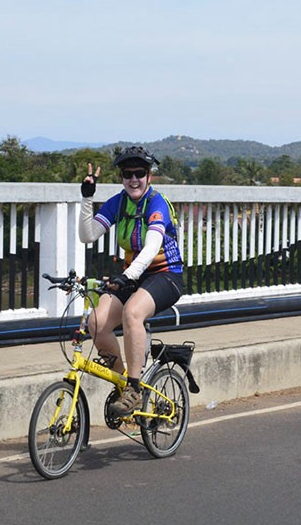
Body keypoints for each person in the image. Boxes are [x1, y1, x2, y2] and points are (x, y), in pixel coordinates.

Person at [78, 146, 185, 416]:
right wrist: (87, 199)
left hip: (165, 275)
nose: (133, 179)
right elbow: (87, 235)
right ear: (121, 177)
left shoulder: (157, 203)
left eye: (139, 173)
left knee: (132, 313)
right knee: (96, 322)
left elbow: (151, 248)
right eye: (128, 174)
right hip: (133, 276)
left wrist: (126, 276)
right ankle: (122, 383)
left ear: (149, 176)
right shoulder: (118, 203)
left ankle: (135, 388)